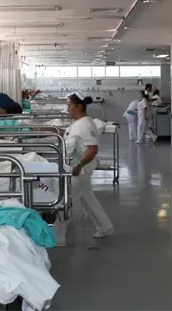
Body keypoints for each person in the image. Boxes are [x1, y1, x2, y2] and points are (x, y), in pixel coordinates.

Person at [55, 91, 114, 246]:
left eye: (69, 106)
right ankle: (105, 226)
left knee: (64, 200)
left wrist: (79, 165)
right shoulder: (78, 122)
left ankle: (58, 237)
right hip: (78, 167)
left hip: (80, 170)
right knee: (88, 198)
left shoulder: (86, 124)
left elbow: (93, 149)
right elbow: (72, 137)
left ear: (78, 106)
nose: (67, 109)